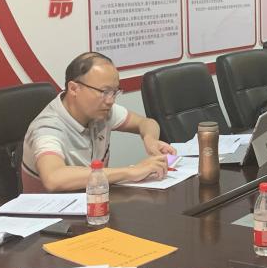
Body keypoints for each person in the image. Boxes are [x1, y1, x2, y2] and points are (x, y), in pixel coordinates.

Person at [21, 52, 174, 192]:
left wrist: (150, 139)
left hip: (95, 201)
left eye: (114, 92)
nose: (110, 100)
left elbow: (146, 123)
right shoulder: (48, 127)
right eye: (104, 92)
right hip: (56, 211)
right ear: (74, 89)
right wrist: (130, 171)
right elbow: (54, 178)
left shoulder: (101, 111)